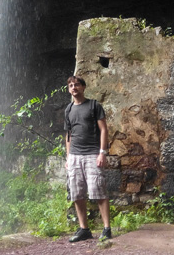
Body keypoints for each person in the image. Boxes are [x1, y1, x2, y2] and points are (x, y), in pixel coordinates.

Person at [64, 75, 111, 243]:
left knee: (98, 190)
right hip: (75, 156)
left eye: (76, 84)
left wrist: (102, 152)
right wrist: (68, 157)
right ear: (69, 89)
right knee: (77, 193)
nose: (73, 87)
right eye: (70, 85)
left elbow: (103, 129)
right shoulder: (68, 109)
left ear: (83, 87)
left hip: (92, 154)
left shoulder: (94, 105)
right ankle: (84, 229)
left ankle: (107, 228)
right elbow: (68, 135)